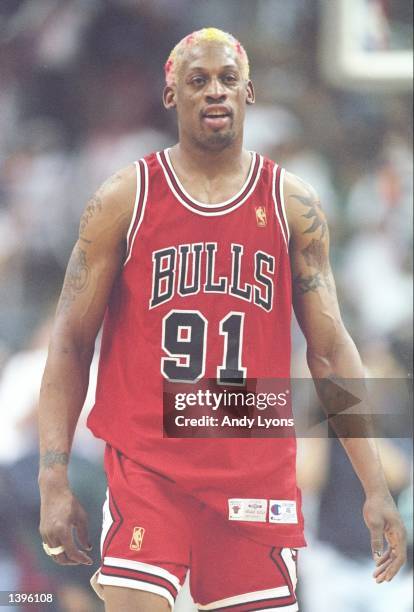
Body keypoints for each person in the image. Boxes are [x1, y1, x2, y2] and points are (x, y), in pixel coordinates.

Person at [38, 27, 406, 612]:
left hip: (252, 474)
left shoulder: (293, 205)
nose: (215, 92)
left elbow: (332, 351)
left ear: (249, 92)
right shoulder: (124, 198)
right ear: (170, 96)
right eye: (198, 80)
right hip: (149, 469)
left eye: (228, 80)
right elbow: (70, 343)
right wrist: (52, 477)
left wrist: (374, 486)